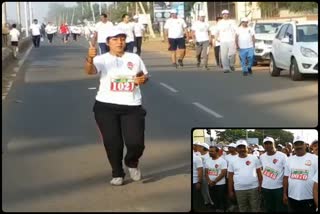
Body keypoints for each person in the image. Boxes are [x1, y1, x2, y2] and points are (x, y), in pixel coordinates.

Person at [84, 27, 149, 186]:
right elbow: (90, 71)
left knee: (136, 143)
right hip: (106, 106)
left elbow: (144, 76)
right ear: (108, 42)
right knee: (113, 143)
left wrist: (142, 80)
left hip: (132, 106)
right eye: (115, 39)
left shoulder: (134, 58)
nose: (119, 42)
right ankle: (117, 173)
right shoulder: (101, 59)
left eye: (122, 39)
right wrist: (89, 59)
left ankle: (131, 162)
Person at [283, 136, 318, 213]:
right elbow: (286, 177)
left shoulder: (315, 158)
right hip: (292, 198)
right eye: (296, 144)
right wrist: (284, 194)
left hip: (309, 198)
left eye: (301, 144)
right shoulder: (289, 160)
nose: (298, 146)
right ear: (293, 146)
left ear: (305, 145)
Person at [228, 139, 262, 212]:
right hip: (239, 189)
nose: (242, 149)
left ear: (247, 148)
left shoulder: (254, 158)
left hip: (254, 188)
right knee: (242, 208)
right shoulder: (232, 160)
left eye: (243, 147)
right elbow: (230, 177)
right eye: (240, 147)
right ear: (237, 149)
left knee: (255, 208)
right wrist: (230, 190)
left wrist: (260, 185)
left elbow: (259, 173)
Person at [260, 137, 288, 212]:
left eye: (270, 143)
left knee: (280, 209)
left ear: (274, 144)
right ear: (264, 145)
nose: (268, 145)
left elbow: (287, 173)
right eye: (266, 144)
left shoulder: (282, 156)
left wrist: (285, 191)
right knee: (269, 209)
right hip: (265, 188)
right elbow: (261, 170)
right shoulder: (262, 157)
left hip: (278, 188)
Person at [206, 146, 228, 212]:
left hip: (220, 184)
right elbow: (206, 172)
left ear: (217, 152)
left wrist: (214, 181)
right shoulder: (208, 160)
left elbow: (223, 173)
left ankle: (222, 209)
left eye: (212, 151)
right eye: (209, 151)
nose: (210, 152)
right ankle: (217, 208)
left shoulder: (222, 161)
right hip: (210, 183)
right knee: (213, 197)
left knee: (221, 197)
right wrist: (209, 181)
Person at [197, 142, 214, 208]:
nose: (197, 147)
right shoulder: (197, 155)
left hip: (209, 175)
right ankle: (206, 201)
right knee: (203, 189)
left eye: (199, 146)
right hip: (201, 175)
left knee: (209, 189)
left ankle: (212, 201)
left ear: (203, 148)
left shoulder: (209, 155)